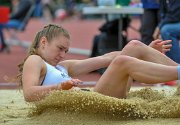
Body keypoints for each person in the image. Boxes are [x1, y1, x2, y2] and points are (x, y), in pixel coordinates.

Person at [18, 24, 179, 102]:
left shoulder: (62, 67)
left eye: (65, 51)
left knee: (134, 46)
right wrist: (59, 87)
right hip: (92, 106)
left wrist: (146, 52)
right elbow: (29, 94)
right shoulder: (35, 60)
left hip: (97, 100)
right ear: (44, 42)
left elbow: (107, 58)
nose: (62, 55)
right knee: (123, 62)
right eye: (60, 48)